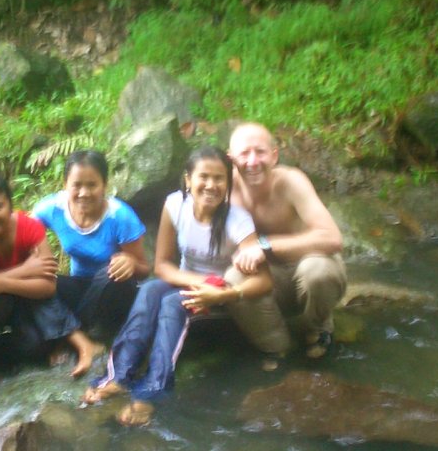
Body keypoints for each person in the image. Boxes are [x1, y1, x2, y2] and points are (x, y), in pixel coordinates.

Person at [82, 146, 279, 426]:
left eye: (219, 179)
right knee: (150, 289)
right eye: (203, 177)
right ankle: (117, 376)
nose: (211, 185)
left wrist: (223, 291)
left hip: (224, 301)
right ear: (188, 179)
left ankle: (153, 392)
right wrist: (202, 282)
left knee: (174, 303)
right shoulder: (175, 205)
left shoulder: (238, 221)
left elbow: (264, 281)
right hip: (195, 285)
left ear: (228, 183)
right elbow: (162, 265)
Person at [0, 171, 99, 381]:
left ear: (10, 206)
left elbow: (48, 286)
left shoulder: (28, 226)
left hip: (26, 302)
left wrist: (0, 282)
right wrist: (26, 271)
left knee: (34, 348)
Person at [228, 122, 346, 359]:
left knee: (317, 271)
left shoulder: (291, 181)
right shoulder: (224, 188)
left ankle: (317, 328)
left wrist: (265, 244)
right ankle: (277, 346)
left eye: (260, 152)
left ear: (274, 156)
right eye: (244, 153)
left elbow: (333, 238)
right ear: (231, 158)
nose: (252, 162)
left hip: (310, 265)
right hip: (269, 277)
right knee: (232, 277)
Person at [32, 150, 149, 348]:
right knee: (39, 283)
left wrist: (131, 263)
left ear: (104, 185)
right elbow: (23, 231)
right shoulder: (52, 208)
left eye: (92, 185)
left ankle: (71, 332)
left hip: (113, 291)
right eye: (76, 185)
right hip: (78, 286)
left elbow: (145, 269)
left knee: (110, 274)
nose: (83, 193)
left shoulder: (119, 216)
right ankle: (77, 333)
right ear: (65, 185)